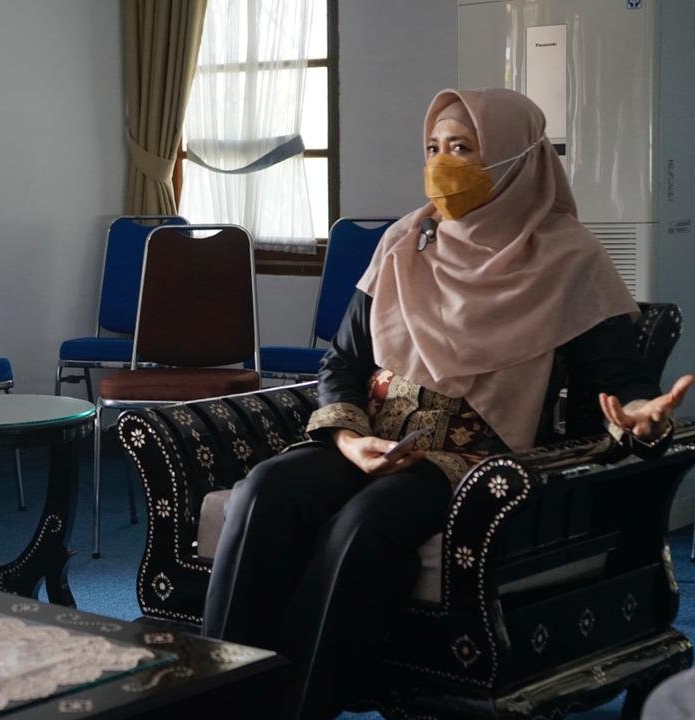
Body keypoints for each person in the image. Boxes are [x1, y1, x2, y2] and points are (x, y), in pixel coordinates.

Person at [201, 88, 694, 719]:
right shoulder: (404, 242)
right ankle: (219, 699)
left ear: (517, 160)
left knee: (369, 522)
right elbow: (343, 361)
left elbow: (619, 380)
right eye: (433, 148)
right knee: (267, 489)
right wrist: (349, 438)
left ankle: (296, 708)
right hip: (372, 436)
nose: (441, 165)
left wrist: (642, 416)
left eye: (462, 148)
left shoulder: (570, 258)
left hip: (473, 458)